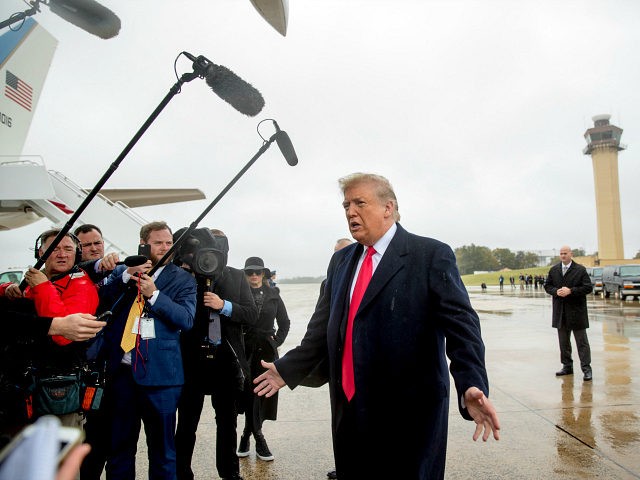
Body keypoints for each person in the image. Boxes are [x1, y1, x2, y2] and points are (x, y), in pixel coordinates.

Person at [253, 173, 500, 480]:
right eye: (346, 205)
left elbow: (463, 329)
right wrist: (287, 368)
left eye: (359, 203)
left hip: (408, 414)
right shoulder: (341, 261)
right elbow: (321, 332)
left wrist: (471, 383)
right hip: (350, 410)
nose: (350, 212)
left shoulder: (430, 255)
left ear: (388, 207)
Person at [98, 221, 197, 480]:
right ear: (144, 244)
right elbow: (100, 299)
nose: (165, 247)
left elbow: (186, 319)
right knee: (119, 449)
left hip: (162, 379)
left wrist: (155, 295)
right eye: (158, 243)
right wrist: (123, 276)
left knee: (163, 452)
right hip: (122, 374)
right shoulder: (125, 273)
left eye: (168, 242)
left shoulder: (183, 278)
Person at [175, 229, 258, 480]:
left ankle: (230, 473)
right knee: (187, 423)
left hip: (225, 361)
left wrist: (225, 306)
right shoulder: (185, 275)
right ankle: (181, 473)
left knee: (227, 424)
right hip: (190, 360)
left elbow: (252, 314)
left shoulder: (235, 276)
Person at [0, 229, 99, 429]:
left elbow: (63, 337)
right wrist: (8, 288)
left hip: (57, 391)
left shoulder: (81, 286)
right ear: (40, 254)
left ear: (77, 254)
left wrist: (43, 287)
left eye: (68, 249)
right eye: (54, 249)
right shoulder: (36, 279)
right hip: (22, 386)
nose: (62, 254)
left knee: (56, 456)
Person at [237, 257, 290, 461]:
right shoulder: (240, 294)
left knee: (262, 395)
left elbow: (284, 323)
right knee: (249, 395)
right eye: (250, 272)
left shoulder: (274, 295)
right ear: (245, 274)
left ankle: (247, 436)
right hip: (245, 351)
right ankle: (257, 437)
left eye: (257, 272)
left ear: (263, 274)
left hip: (266, 354)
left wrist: (275, 342)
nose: (254, 276)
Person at [543, 245, 593, 381]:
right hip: (561, 312)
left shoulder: (580, 270)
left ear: (571, 254)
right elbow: (547, 286)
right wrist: (555, 291)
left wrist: (571, 291)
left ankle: (586, 369)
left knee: (582, 343)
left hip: (577, 312)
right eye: (561, 253)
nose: (563, 255)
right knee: (564, 343)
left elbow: (588, 287)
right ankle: (567, 366)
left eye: (565, 253)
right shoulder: (554, 270)